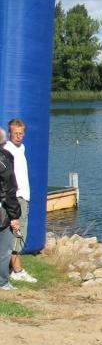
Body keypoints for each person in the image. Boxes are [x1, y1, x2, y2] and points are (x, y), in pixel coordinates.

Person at [4, 119, 36, 283]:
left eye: (21, 133)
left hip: (24, 195)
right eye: (15, 133)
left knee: (18, 232)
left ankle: (11, 267)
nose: (18, 136)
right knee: (17, 233)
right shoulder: (7, 149)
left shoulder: (21, 148)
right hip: (16, 197)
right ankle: (17, 270)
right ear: (10, 133)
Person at [0, 128, 22, 291]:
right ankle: (2, 282)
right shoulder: (3, 159)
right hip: (2, 210)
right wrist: (14, 216)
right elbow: (8, 191)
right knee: (4, 247)